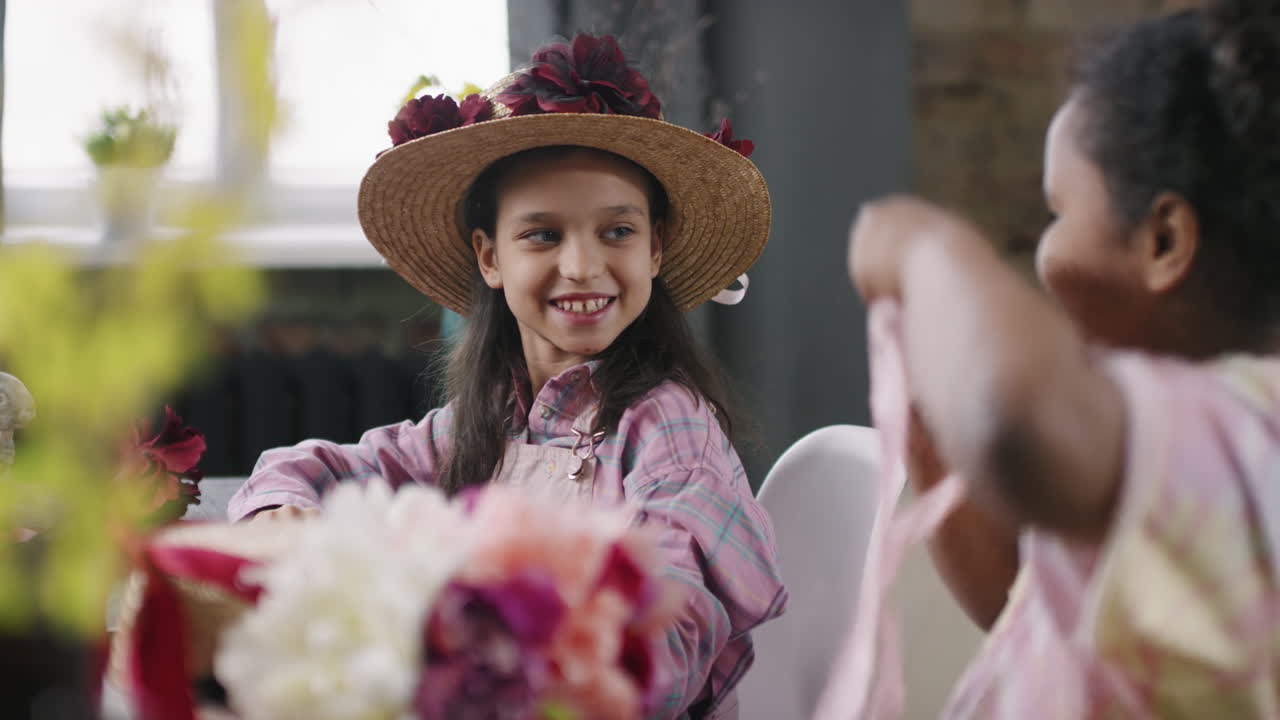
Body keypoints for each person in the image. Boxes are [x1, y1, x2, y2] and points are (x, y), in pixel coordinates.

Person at [227, 33, 785, 719]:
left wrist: (487, 659)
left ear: (656, 248)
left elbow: (665, 640)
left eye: (617, 232)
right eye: (543, 235)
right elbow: (314, 467)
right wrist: (280, 509)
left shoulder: (668, 427)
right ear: (489, 258)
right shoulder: (493, 420)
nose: (582, 266)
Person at [849, 0, 1280, 714]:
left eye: (1057, 211)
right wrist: (935, 450)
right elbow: (1035, 609)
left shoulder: (1256, 435)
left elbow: (1020, 422)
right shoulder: (1168, 466)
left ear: (1164, 241)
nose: (1037, 254)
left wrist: (926, 245)